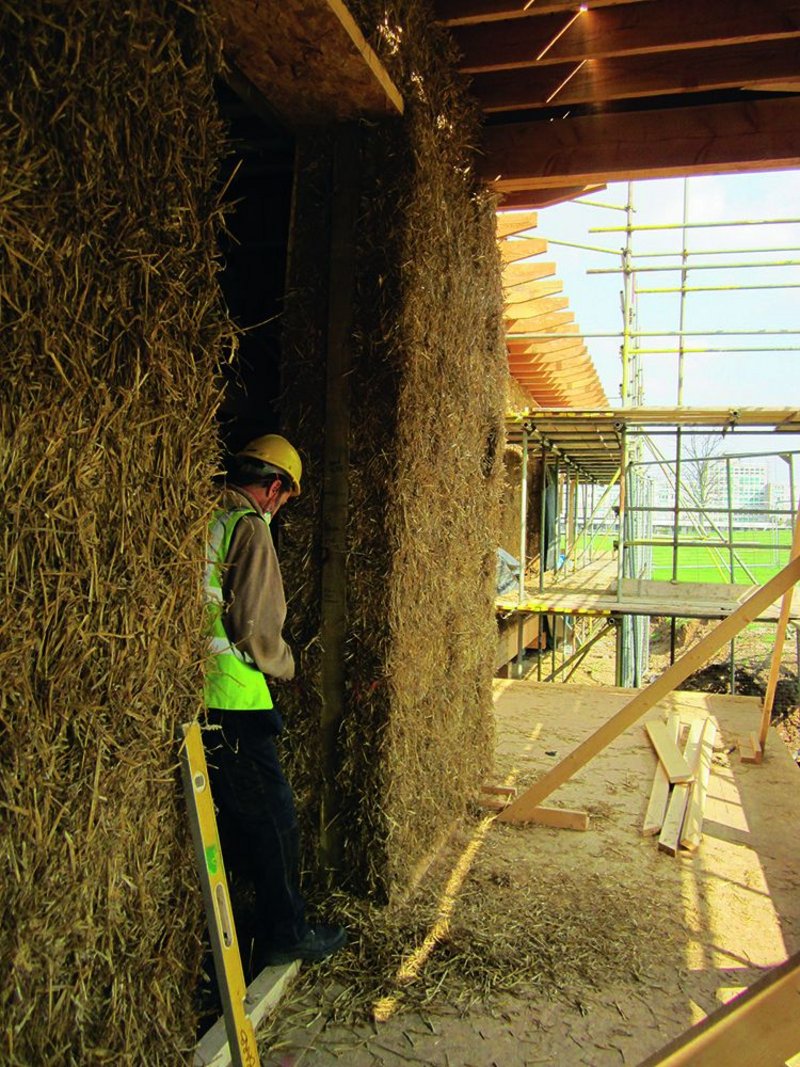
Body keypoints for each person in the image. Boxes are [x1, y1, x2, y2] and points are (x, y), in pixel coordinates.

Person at [203, 433, 346, 970]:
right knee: (275, 819)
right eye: (284, 497)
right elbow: (256, 629)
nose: (280, 508)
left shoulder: (205, 517)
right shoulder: (249, 527)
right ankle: (285, 931)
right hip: (234, 697)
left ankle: (242, 924)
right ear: (273, 486)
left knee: (235, 820)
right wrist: (288, 665)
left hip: (196, 694)